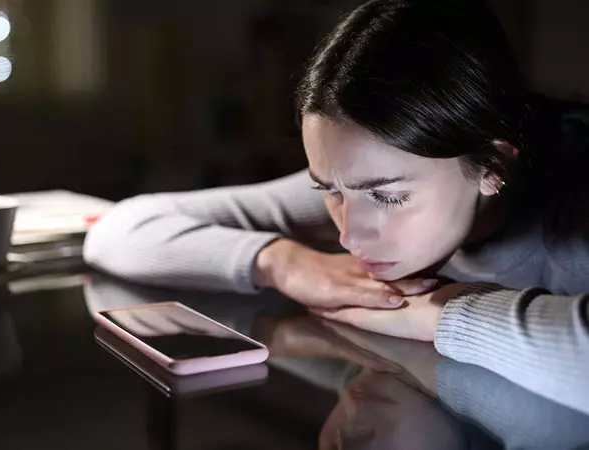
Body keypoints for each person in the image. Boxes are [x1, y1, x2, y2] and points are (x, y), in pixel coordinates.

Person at [84, 0, 589, 413]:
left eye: (388, 196)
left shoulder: (572, 210)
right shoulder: (363, 178)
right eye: (327, 190)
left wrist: (437, 314)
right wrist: (286, 262)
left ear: (490, 166)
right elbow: (120, 230)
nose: (349, 235)